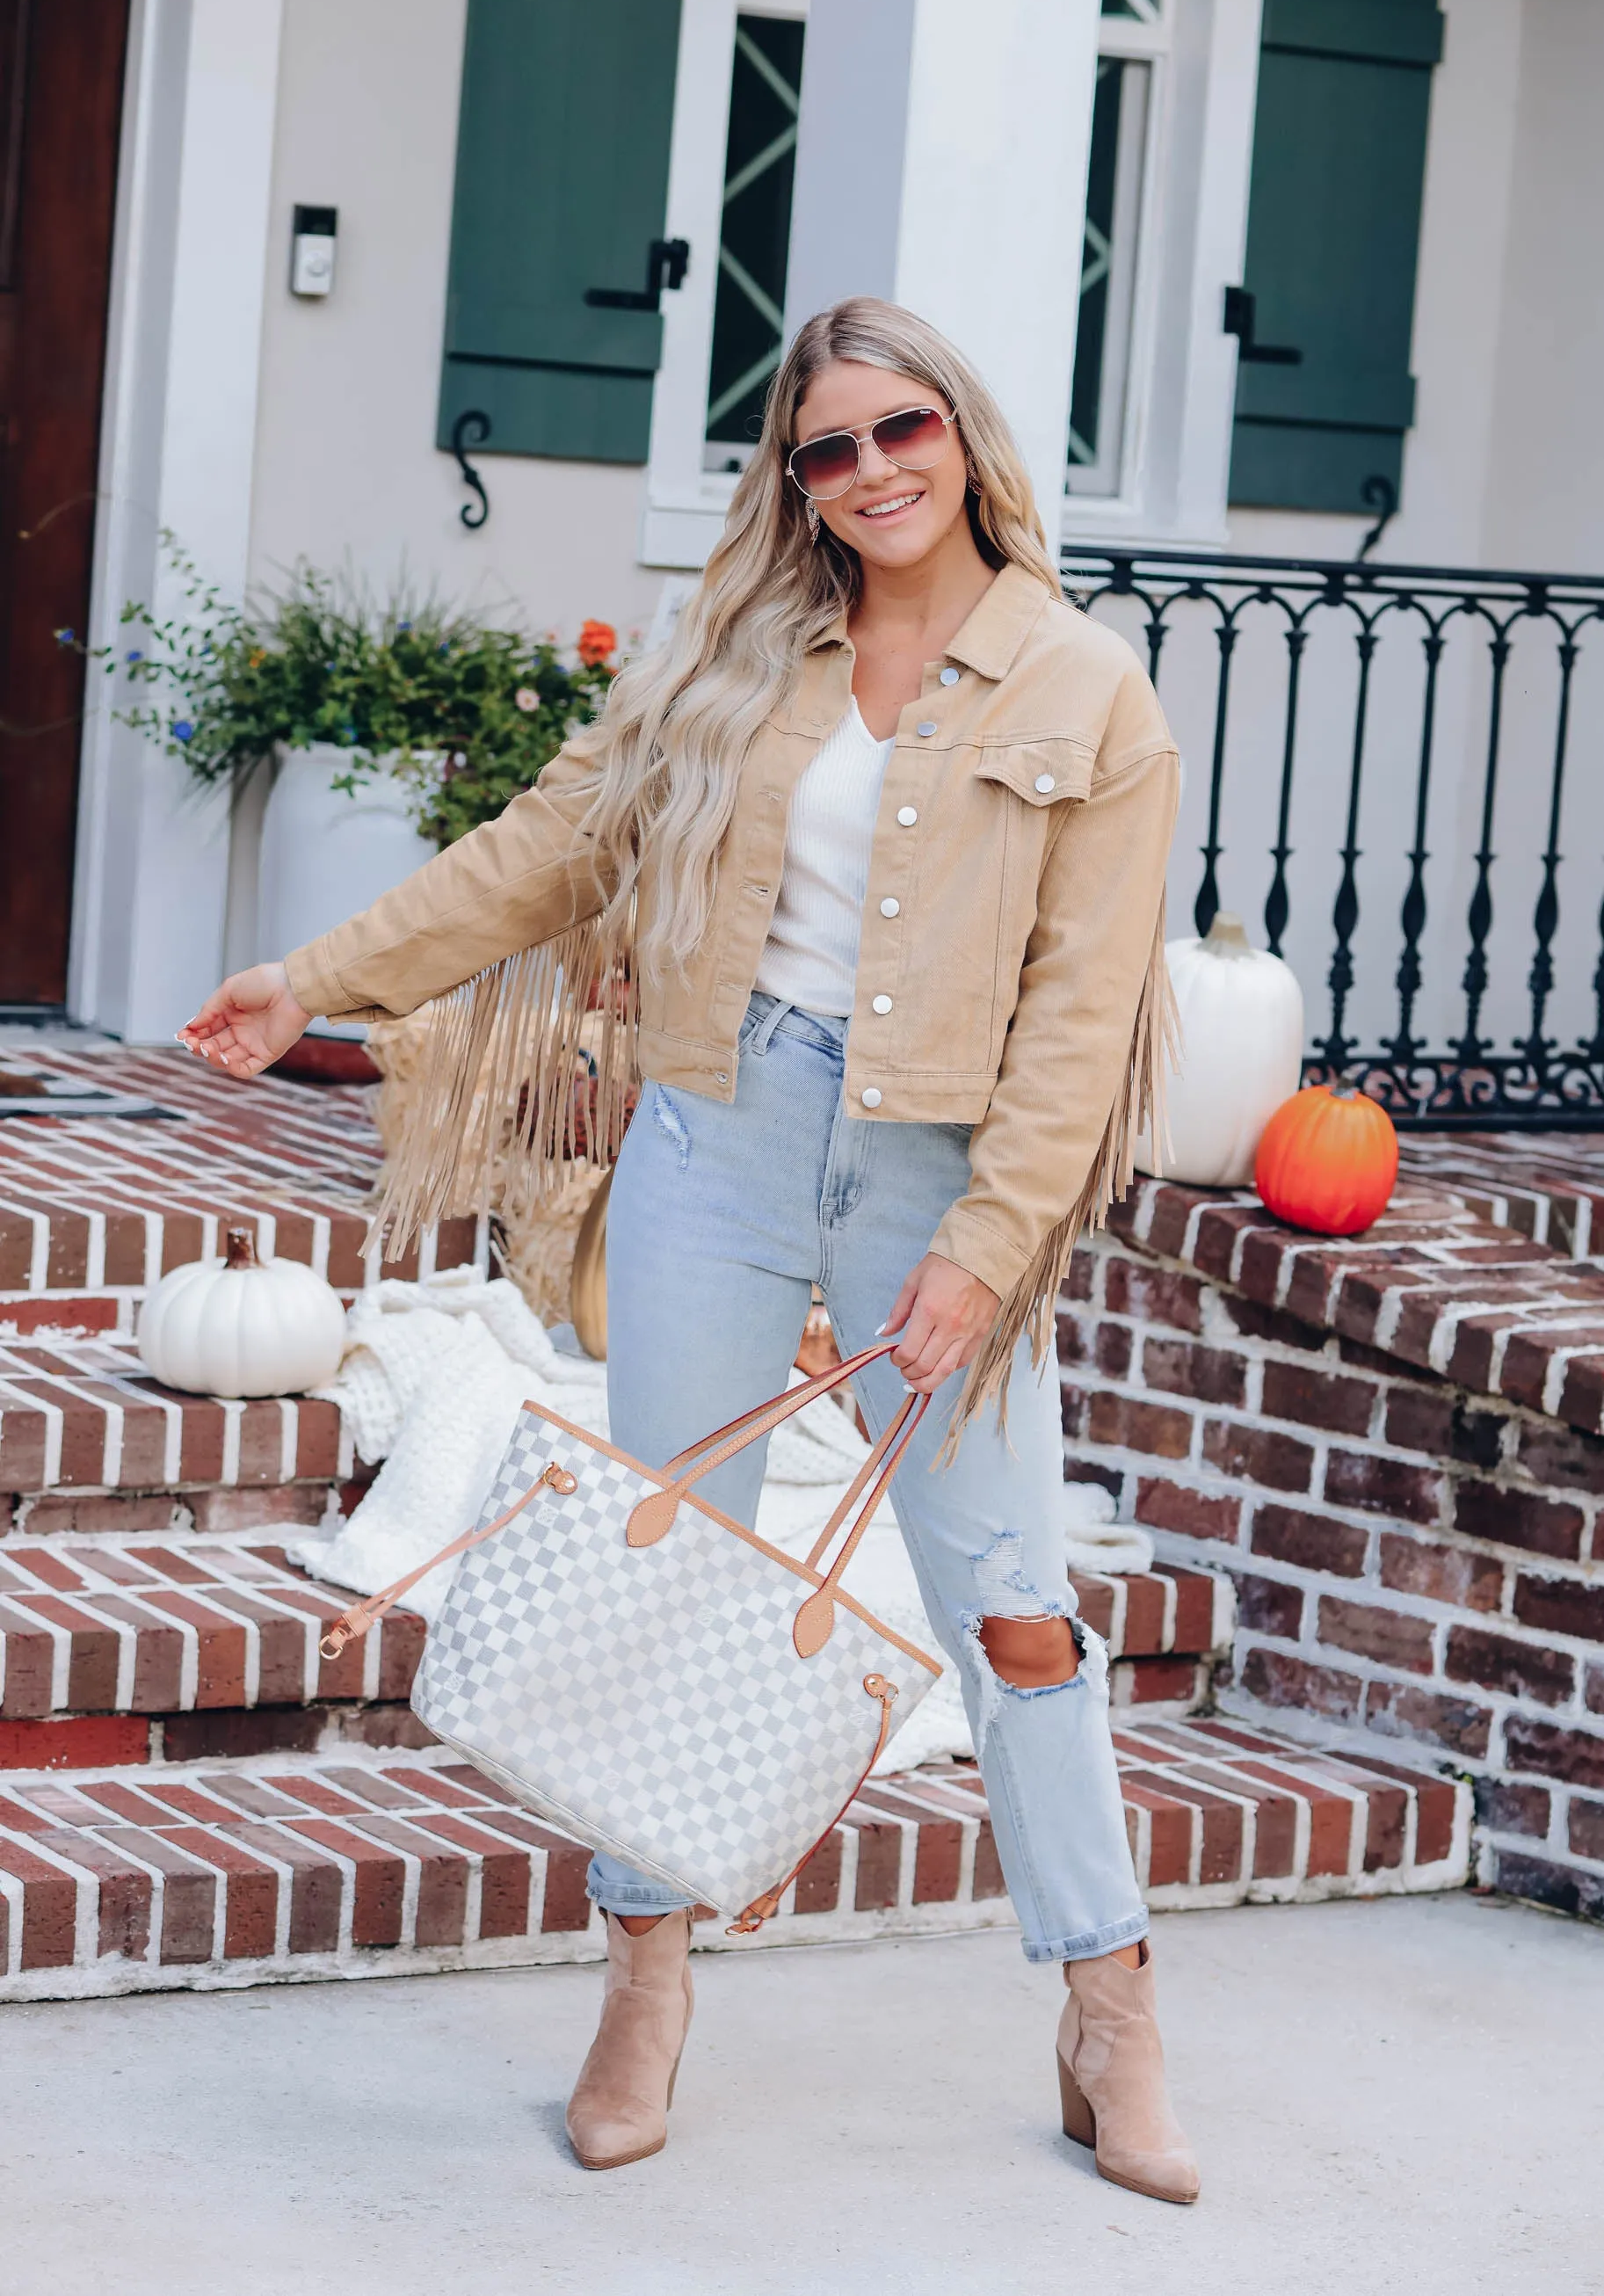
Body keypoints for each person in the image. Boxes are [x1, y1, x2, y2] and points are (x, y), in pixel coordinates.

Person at [180, 299, 1195, 2205]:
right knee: (670, 1562)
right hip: (722, 1140)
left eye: (900, 430)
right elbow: (551, 848)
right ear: (793, 481)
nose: (871, 472)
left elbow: (1082, 1015)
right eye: (825, 449)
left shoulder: (1087, 692)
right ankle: (643, 1972)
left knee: (1016, 1605)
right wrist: (315, 976)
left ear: (961, 437)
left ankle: (1108, 2000)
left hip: (944, 1165)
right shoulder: (733, 655)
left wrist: (986, 1244)